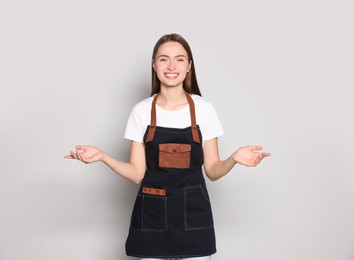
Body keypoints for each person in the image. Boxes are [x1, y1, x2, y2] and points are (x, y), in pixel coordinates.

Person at [65, 33, 271, 260]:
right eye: (164, 59)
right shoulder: (141, 111)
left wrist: (233, 158)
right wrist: (104, 156)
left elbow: (212, 171)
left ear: (189, 66)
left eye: (180, 59)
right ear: (154, 65)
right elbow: (136, 174)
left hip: (194, 218)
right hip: (152, 218)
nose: (172, 65)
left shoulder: (204, 110)